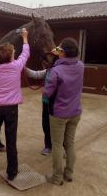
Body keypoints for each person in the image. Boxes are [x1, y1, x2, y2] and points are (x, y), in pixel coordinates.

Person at [0, 28, 30, 181]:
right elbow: (26, 53)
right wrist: (25, 37)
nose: (15, 54)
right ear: (11, 56)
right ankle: (12, 172)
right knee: (11, 140)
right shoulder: (16, 66)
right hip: (11, 110)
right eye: (13, 53)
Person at [43, 37, 84, 186]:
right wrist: (58, 53)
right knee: (70, 144)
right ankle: (69, 174)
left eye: (60, 48)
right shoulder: (80, 66)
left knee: (57, 145)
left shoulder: (56, 71)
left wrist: (56, 57)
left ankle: (57, 178)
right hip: (75, 112)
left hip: (59, 114)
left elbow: (47, 93)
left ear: (63, 52)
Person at [25, 53, 58, 156]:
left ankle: (61, 147)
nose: (44, 62)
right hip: (46, 103)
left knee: (58, 126)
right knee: (46, 125)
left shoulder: (58, 72)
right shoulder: (47, 71)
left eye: (47, 61)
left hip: (57, 104)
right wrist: (23, 68)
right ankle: (48, 146)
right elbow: (35, 74)